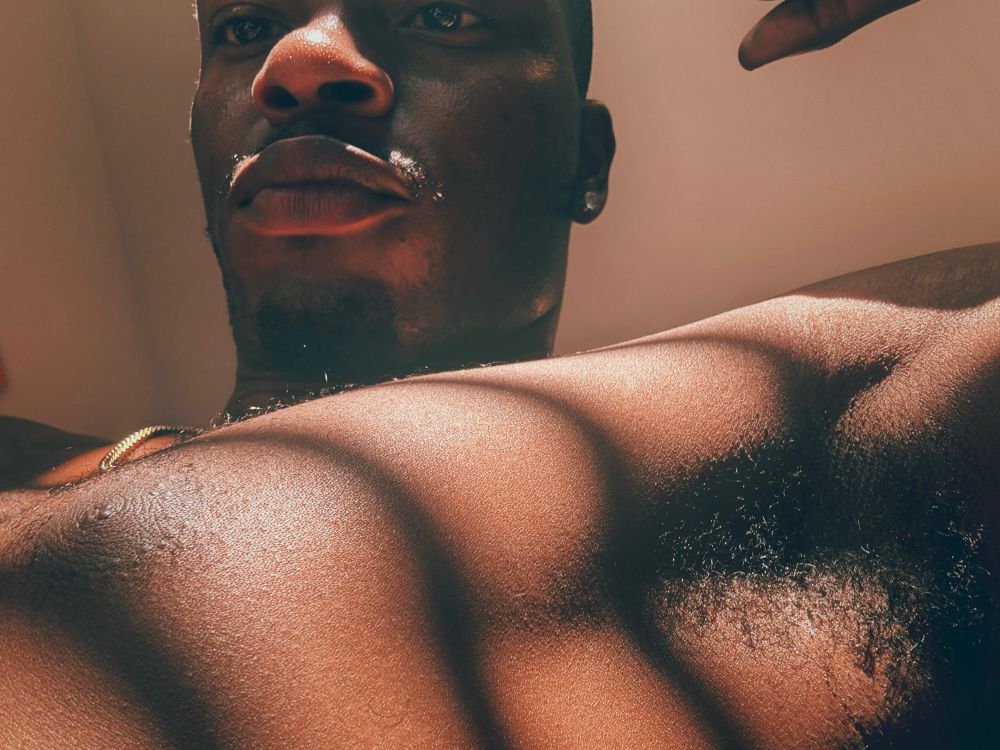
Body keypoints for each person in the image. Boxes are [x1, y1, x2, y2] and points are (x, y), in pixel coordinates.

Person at [2, 0, 996, 747]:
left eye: (445, 14)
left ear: (586, 161)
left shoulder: (812, 457)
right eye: (247, 26)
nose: (299, 61)